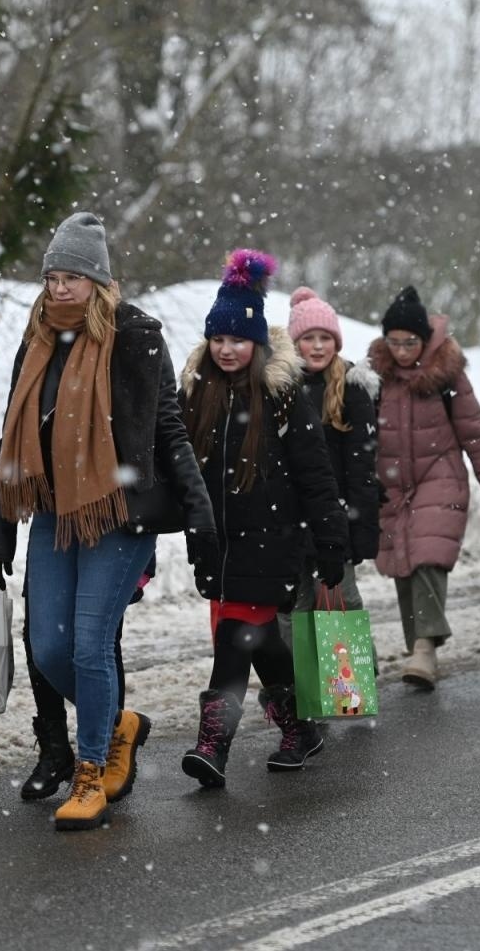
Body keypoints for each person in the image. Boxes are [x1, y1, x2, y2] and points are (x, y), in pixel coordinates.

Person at [0, 212, 214, 832]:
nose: (60, 289)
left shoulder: (136, 336)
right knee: (47, 646)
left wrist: (200, 516)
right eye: (52, 277)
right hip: (53, 511)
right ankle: (117, 725)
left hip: (119, 513)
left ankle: (90, 771)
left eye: (72, 278)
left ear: (99, 281)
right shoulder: (37, 338)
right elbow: (13, 435)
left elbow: (168, 427)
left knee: (88, 644)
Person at [178, 250, 349, 788]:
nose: (226, 349)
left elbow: (315, 474)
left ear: (256, 343)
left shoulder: (282, 395)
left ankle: (213, 745)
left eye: (237, 339)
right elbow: (180, 469)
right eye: (218, 339)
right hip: (218, 541)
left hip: (273, 538)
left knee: (235, 634)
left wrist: (332, 542)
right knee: (260, 639)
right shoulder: (195, 394)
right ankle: (299, 726)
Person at [368, 285, 480, 689]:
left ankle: (425, 647)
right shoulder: (375, 377)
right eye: (393, 342)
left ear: (424, 340)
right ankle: (419, 647)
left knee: (427, 557)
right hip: (392, 484)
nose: (401, 351)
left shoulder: (447, 375)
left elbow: (475, 435)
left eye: (409, 342)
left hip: (439, 476)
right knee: (403, 564)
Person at [284, 285, 381, 619]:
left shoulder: (352, 389)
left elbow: (362, 467)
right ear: (294, 343)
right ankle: (297, 658)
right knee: (293, 608)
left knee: (341, 605)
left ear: (336, 343)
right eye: (308, 338)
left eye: (325, 338)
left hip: (335, 519)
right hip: (291, 516)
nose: (317, 346)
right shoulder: (282, 388)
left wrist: (360, 531)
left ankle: (352, 659)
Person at [17, 560, 150, 802]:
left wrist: (142, 565)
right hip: (51, 545)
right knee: (40, 640)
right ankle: (57, 748)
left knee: (98, 640)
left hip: (108, 545)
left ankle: (110, 745)